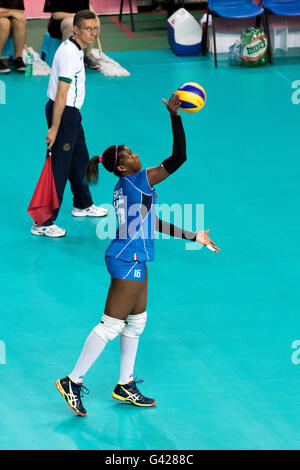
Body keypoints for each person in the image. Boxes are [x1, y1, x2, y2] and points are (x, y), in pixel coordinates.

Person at [55, 93, 220, 416]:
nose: (135, 154)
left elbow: (153, 221)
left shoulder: (125, 188)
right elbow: (179, 157)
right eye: (128, 155)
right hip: (126, 259)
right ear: (121, 167)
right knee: (110, 325)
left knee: (136, 321)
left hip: (135, 257)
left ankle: (125, 384)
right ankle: (72, 380)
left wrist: (194, 235)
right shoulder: (138, 181)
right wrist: (176, 117)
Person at [31, 10, 107, 238]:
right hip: (63, 114)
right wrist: (54, 129)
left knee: (80, 159)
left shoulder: (72, 48)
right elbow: (62, 93)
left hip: (71, 115)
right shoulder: (71, 55)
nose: (93, 32)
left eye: (96, 28)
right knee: (59, 168)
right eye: (88, 28)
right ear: (76, 29)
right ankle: (42, 222)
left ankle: (83, 203)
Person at [43, 0, 99, 69]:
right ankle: (66, 59)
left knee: (91, 23)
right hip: (58, 24)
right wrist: (77, 17)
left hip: (78, 20)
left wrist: (96, 20)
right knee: (71, 23)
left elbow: (89, 7)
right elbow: (56, 15)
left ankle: (86, 56)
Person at [0, 0, 26, 73]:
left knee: (20, 22)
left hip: (8, 24)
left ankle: (18, 58)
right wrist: (10, 12)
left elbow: (20, 12)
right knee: (4, 22)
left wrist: (4, 12)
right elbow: (15, 12)